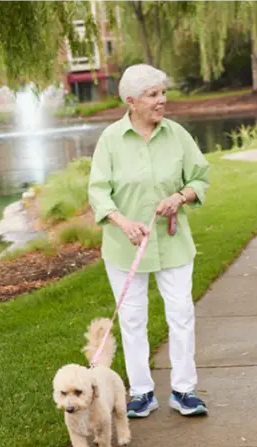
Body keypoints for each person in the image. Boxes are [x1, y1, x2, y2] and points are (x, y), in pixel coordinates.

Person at [88, 64, 210, 418]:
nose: (162, 100)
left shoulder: (177, 135)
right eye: (153, 95)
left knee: (182, 313)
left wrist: (181, 197)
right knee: (131, 319)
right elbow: (98, 192)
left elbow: (200, 177)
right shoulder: (111, 139)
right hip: (124, 245)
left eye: (163, 92)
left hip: (172, 242)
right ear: (132, 101)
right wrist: (121, 220)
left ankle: (184, 390)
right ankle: (141, 392)